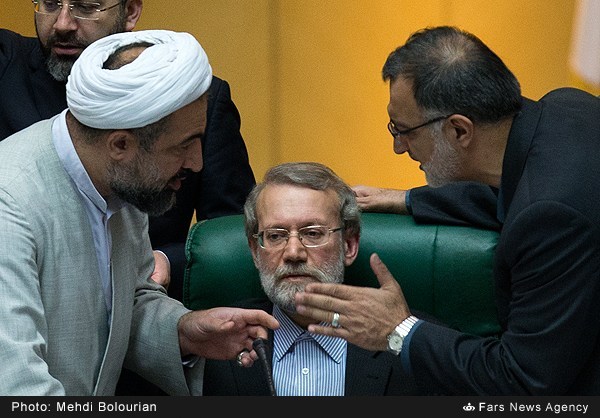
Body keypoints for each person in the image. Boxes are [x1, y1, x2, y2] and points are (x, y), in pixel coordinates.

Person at [295, 26, 600, 395]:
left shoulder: (552, 219)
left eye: (404, 130)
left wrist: (398, 331)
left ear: (459, 131)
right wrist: (407, 200)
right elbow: (519, 189)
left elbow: (521, 382)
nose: (398, 147)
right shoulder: (567, 107)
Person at [0, 29, 278, 396]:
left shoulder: (120, 179)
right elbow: (17, 385)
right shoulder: (10, 203)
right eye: (183, 146)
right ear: (120, 144)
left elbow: (126, 303)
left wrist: (183, 332)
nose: (196, 163)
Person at [0, 0, 255, 300]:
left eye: (86, 6)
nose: (63, 23)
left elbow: (233, 231)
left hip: (143, 305)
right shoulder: (7, 65)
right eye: (50, 3)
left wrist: (168, 261)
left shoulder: (190, 100)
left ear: (131, 11)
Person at [202, 162, 430, 396]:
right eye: (275, 236)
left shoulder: (413, 345)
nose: (293, 253)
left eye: (312, 233)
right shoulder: (216, 342)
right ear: (255, 251)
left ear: (349, 245)